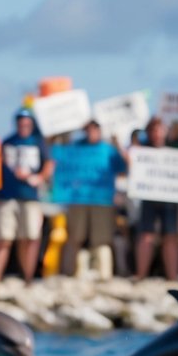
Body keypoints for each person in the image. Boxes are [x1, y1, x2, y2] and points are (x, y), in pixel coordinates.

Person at [0, 108, 52, 284]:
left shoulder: (38, 142)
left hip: (30, 197)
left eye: (27, 122)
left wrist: (39, 177)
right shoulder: (7, 142)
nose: (23, 125)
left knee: (31, 237)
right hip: (7, 196)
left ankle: (28, 278)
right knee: (4, 237)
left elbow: (49, 163)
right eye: (20, 122)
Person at [61, 119, 126, 279]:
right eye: (88, 129)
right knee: (77, 236)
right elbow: (61, 163)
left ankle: (104, 274)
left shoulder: (109, 149)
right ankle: (74, 272)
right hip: (78, 200)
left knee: (102, 238)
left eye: (94, 129)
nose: (91, 132)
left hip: (102, 200)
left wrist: (118, 145)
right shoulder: (75, 147)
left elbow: (124, 168)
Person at [132, 116, 178, 281]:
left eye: (160, 128)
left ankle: (173, 277)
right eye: (154, 129)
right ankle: (141, 275)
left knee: (171, 236)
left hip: (170, 199)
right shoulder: (142, 149)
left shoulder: (176, 146)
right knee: (146, 235)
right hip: (149, 198)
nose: (157, 133)